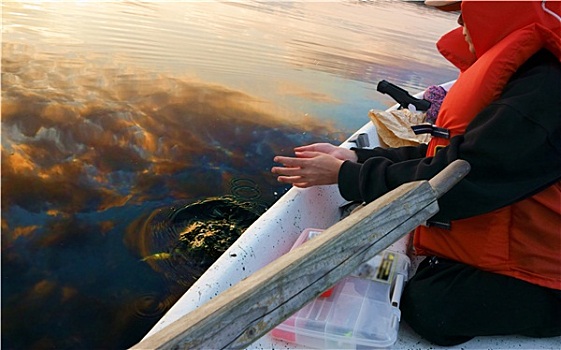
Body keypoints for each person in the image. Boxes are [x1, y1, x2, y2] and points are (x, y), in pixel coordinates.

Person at [271, 0, 561, 346]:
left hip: (551, 271)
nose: (459, 25)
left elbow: (456, 182)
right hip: (524, 229)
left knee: (430, 308)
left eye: (464, 13)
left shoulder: (542, 95)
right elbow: (450, 155)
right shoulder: (531, 74)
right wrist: (355, 155)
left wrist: (346, 175)